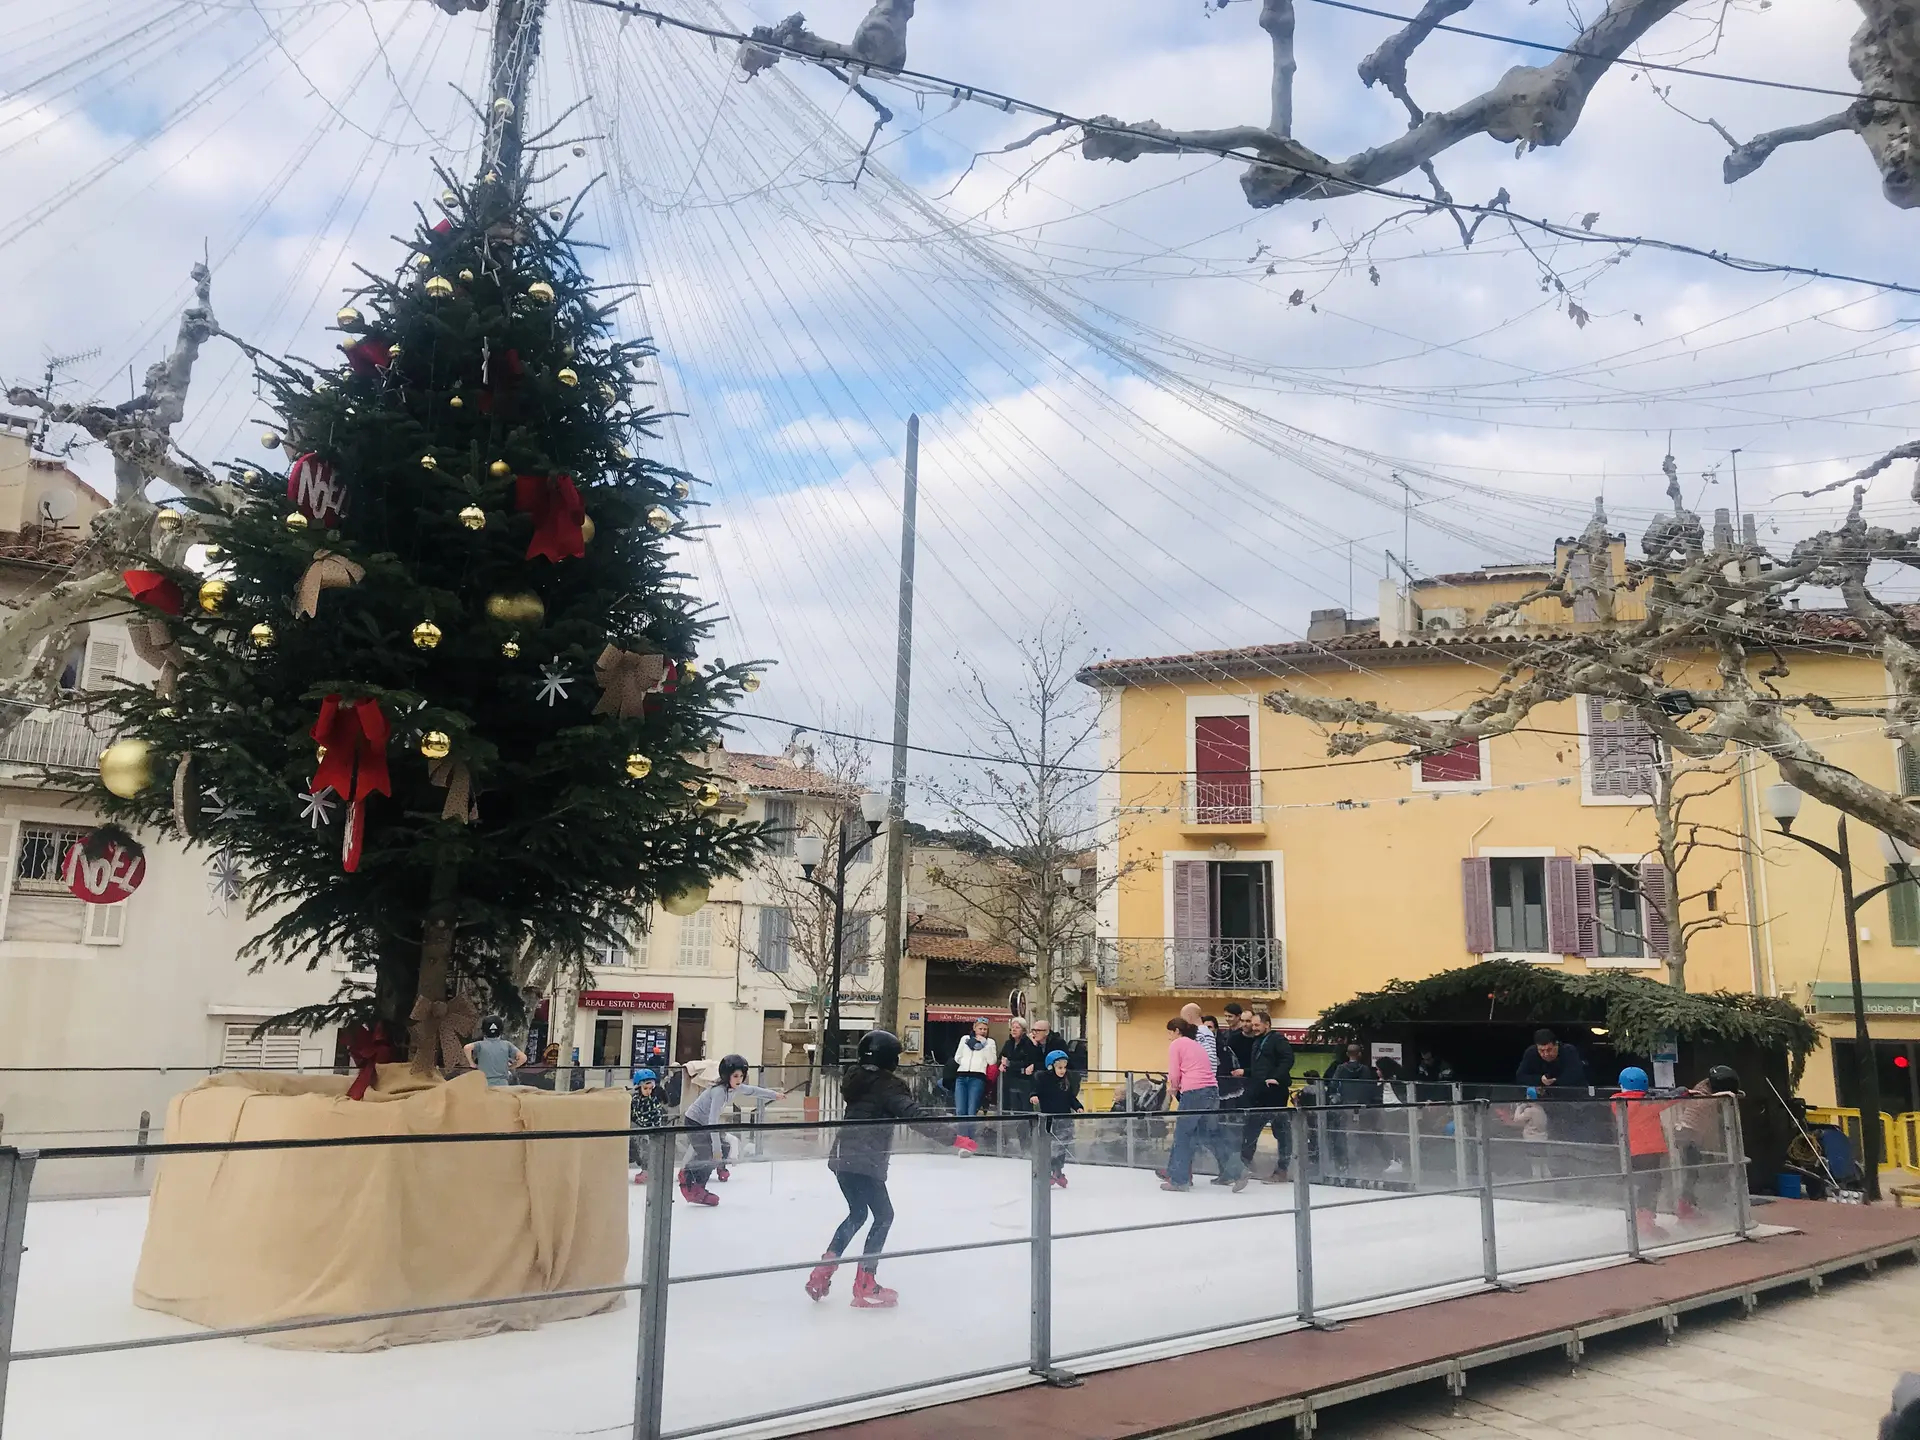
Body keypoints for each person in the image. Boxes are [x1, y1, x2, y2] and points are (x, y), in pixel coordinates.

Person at [805, 1030, 949, 1307]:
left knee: (858, 1214)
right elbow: (912, 1114)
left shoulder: (856, 1080)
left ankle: (822, 1272)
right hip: (865, 1160)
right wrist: (951, 1136)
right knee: (883, 1216)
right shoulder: (888, 1086)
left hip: (843, 1157)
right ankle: (865, 1282)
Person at [677, 1055, 779, 1205]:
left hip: (705, 1123)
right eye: (735, 1076)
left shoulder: (733, 1088)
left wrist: (774, 1095)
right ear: (726, 1076)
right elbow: (713, 1121)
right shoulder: (719, 1092)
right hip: (694, 1122)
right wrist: (716, 1149)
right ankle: (690, 1182)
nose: (739, 1080)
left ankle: (707, 1176)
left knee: (724, 1148)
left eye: (741, 1076)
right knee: (709, 1154)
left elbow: (752, 1090)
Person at [1162, 1017, 1246, 1192]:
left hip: (1194, 1092)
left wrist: (1174, 1087)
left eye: (1169, 1033)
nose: (1169, 1037)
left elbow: (1174, 1072)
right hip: (1212, 1090)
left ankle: (1179, 1180)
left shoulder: (1177, 1044)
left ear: (1177, 1031)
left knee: (1183, 1135)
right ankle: (1238, 1170)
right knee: (1210, 1134)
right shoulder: (1196, 1045)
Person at [1615, 1066, 1679, 1240]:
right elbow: (1670, 1100)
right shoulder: (1647, 1103)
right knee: (1652, 1184)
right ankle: (1645, 1219)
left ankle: (1641, 1218)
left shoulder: (1618, 1102)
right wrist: (1684, 1092)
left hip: (1631, 1151)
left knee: (1644, 1183)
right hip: (1651, 1151)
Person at [1671, 1064, 1739, 1221]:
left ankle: (1688, 1205)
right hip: (1686, 1133)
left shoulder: (1707, 1087)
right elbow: (1706, 1101)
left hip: (1692, 1134)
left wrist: (1731, 1092)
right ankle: (1685, 1207)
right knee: (1691, 1172)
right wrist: (1723, 1094)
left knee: (1693, 1171)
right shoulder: (1701, 1093)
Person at [1241, 1011, 1295, 1181]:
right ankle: (1244, 1166)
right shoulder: (1257, 1041)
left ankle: (1282, 1170)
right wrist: (1245, 1072)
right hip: (1259, 1092)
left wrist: (1276, 1078)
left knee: (1281, 1131)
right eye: (1253, 1025)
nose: (1254, 1028)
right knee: (1250, 1130)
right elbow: (1260, 1067)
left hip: (1274, 1093)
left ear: (1267, 1024)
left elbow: (1288, 1059)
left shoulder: (1278, 1040)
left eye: (1257, 1025)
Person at [1032, 1049, 1083, 1187]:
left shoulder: (1066, 1081)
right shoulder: (1044, 1080)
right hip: (1049, 1119)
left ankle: (1058, 1171)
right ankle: (1048, 1171)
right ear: (1051, 1067)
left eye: (1064, 1067)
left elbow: (1070, 1097)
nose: (1063, 1070)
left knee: (1062, 1146)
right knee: (1050, 1147)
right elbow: (1036, 1090)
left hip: (1064, 1118)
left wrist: (1078, 1106)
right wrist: (1034, 1096)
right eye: (1060, 1068)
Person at [1326, 1042, 1379, 1174]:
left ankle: (1346, 1162)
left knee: (1344, 1134)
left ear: (1347, 1054)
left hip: (1345, 1105)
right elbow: (1369, 1087)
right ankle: (1364, 1162)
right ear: (1359, 1054)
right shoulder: (1365, 1069)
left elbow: (1333, 1084)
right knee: (1363, 1134)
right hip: (1362, 1106)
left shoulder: (1341, 1068)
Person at [951, 1018, 996, 1154]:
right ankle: (962, 1142)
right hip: (962, 1075)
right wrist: (964, 1062)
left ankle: (969, 1143)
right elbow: (957, 1057)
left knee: (971, 1111)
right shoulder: (965, 1039)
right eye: (980, 1028)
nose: (982, 1031)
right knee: (960, 1110)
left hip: (977, 1077)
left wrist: (984, 1045)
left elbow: (992, 1060)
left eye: (985, 1029)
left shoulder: (990, 1042)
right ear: (974, 1028)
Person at [1515, 1028, 1588, 1095]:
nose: (1546, 1054)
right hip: (1542, 1098)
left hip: (1573, 1096)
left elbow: (1576, 1075)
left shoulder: (1569, 1051)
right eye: (1541, 1050)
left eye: (1549, 1050)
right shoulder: (1531, 1053)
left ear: (1556, 1045)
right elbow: (1520, 1076)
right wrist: (1540, 1080)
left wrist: (1555, 1081)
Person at [629, 1068, 668, 1184]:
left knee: (647, 1150)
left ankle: (647, 1170)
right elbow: (633, 1114)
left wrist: (656, 1127)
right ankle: (644, 1167)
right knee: (638, 1149)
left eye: (650, 1088)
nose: (648, 1091)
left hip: (650, 1130)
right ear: (639, 1087)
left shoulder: (653, 1100)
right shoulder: (635, 1100)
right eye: (645, 1088)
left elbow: (657, 1114)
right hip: (637, 1129)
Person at [463, 1015, 525, 1087]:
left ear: (483, 1030)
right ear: (501, 1030)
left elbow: (467, 1048)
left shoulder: (480, 1045)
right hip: (502, 1084)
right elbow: (523, 1058)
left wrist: (472, 1063)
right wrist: (511, 1067)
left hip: (484, 1084)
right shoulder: (507, 1045)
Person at [1001, 1016, 1043, 1121]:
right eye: (1012, 1027)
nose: (1014, 1030)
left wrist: (1010, 1064)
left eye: (1017, 1027)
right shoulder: (1008, 1043)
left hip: (1024, 1081)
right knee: (1014, 1109)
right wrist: (1001, 1064)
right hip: (1011, 1080)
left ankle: (1029, 1130)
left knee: (1025, 1109)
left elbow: (1028, 1062)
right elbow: (1002, 1057)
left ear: (1023, 1030)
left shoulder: (1028, 1044)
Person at [1511, 1087, 1552, 1179]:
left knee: (1535, 1164)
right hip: (1542, 1140)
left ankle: (1537, 1182)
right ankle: (1548, 1181)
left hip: (1532, 1140)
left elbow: (1516, 1119)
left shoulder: (1530, 1111)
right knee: (1543, 1163)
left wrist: (1519, 1107)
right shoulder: (1541, 1109)